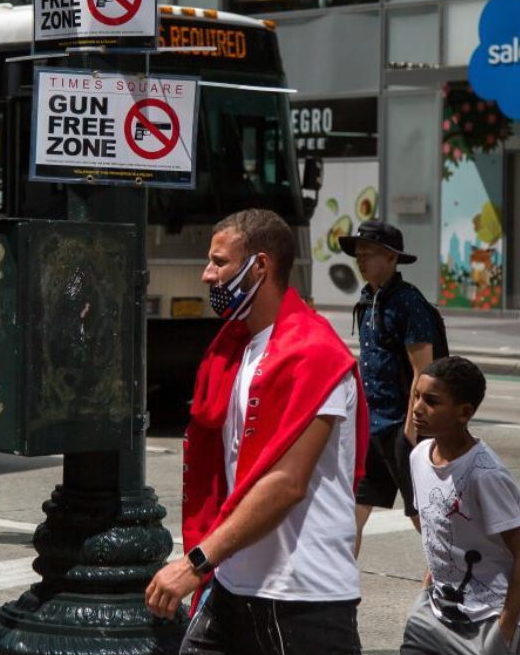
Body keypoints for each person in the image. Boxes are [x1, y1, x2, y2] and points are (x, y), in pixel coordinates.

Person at [145, 209, 368, 655]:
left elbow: (286, 483)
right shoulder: (235, 347)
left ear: (260, 266)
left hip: (302, 600)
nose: (207, 275)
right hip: (233, 584)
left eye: (220, 262)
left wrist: (196, 562)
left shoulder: (313, 353)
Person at [400, 356, 520, 655]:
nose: (417, 408)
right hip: (434, 611)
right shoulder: (419, 456)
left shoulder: (484, 475)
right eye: (417, 396)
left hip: (488, 618)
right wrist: (424, 594)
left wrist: (504, 630)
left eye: (432, 401)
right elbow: (439, 536)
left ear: (464, 413)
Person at [339, 220, 440, 558]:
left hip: (401, 427)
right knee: (350, 514)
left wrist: (412, 429)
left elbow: (422, 370)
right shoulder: (369, 299)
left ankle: (447, 582)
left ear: (391, 257)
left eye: (367, 254)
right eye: (358, 254)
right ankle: (339, 590)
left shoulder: (408, 302)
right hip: (372, 425)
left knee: (420, 514)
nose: (360, 260)